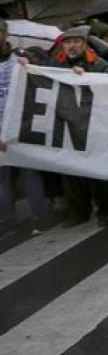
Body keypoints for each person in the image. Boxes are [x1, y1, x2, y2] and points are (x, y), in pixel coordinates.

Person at [48, 26, 108, 227]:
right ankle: (79, 212)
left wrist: (85, 77)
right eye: (68, 42)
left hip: (93, 124)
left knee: (96, 171)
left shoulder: (99, 65)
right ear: (62, 46)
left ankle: (105, 212)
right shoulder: (55, 64)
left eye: (76, 42)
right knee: (70, 172)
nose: (72, 46)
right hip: (67, 125)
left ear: (84, 44)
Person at [0, 19, 50, 234]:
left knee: (30, 173)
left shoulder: (20, 58)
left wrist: (30, 64)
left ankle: (39, 217)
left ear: (5, 34)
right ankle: (6, 220)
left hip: (22, 125)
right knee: (3, 178)